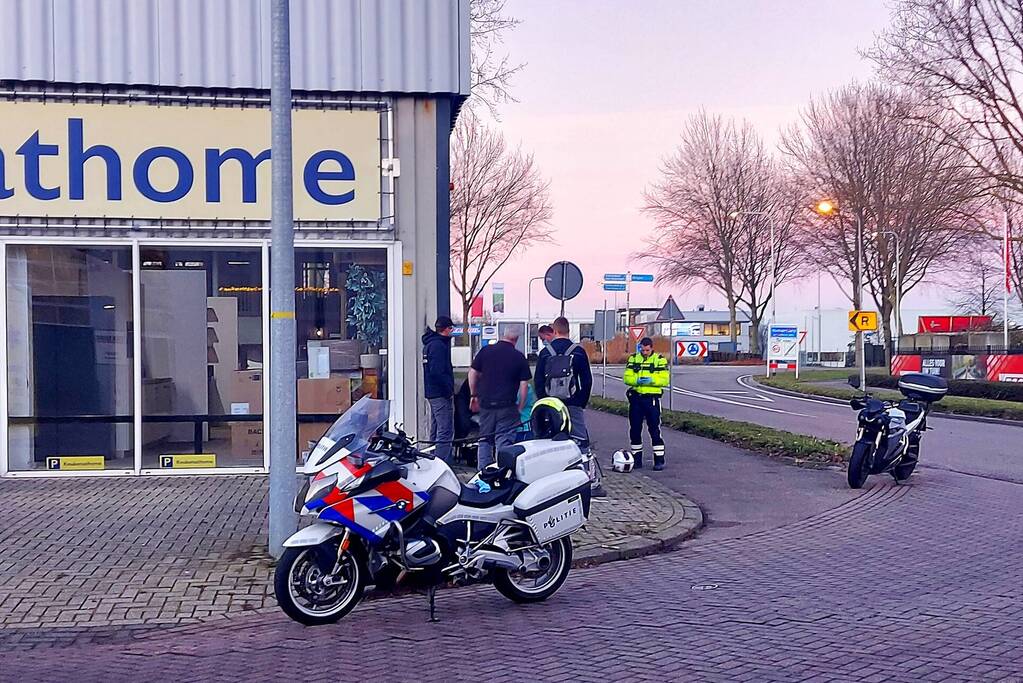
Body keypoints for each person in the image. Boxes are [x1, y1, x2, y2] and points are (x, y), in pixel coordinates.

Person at [469, 328, 531, 470]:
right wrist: (520, 406)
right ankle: (503, 473)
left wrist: (473, 395)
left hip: (486, 404)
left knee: (485, 439)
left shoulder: (485, 351)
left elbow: (472, 373)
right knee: (504, 441)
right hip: (507, 406)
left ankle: (483, 474)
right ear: (515, 340)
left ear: (502, 336)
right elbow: (524, 386)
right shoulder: (519, 357)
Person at [535, 316, 593, 454]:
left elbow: (538, 380)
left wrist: (544, 400)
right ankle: (582, 469)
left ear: (554, 331)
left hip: (551, 404)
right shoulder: (578, 351)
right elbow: (587, 380)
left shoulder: (545, 353)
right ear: (568, 330)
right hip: (573, 402)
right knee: (580, 441)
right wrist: (580, 402)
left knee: (550, 441)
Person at [623, 337, 670, 470]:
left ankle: (659, 460)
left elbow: (665, 380)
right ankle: (637, 459)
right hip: (637, 398)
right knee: (635, 430)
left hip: (652, 399)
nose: (645, 352)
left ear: (651, 348)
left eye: (647, 350)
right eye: (643, 350)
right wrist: (638, 380)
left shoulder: (659, 360)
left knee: (654, 429)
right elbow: (627, 377)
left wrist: (650, 380)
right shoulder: (633, 359)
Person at [422, 316, 455, 463]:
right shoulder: (439, 346)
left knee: (435, 428)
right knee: (445, 430)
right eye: (450, 328)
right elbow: (438, 372)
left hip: (432, 392)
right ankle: (441, 463)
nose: (452, 331)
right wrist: (448, 389)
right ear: (446, 329)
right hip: (440, 393)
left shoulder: (430, 344)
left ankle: (432, 459)